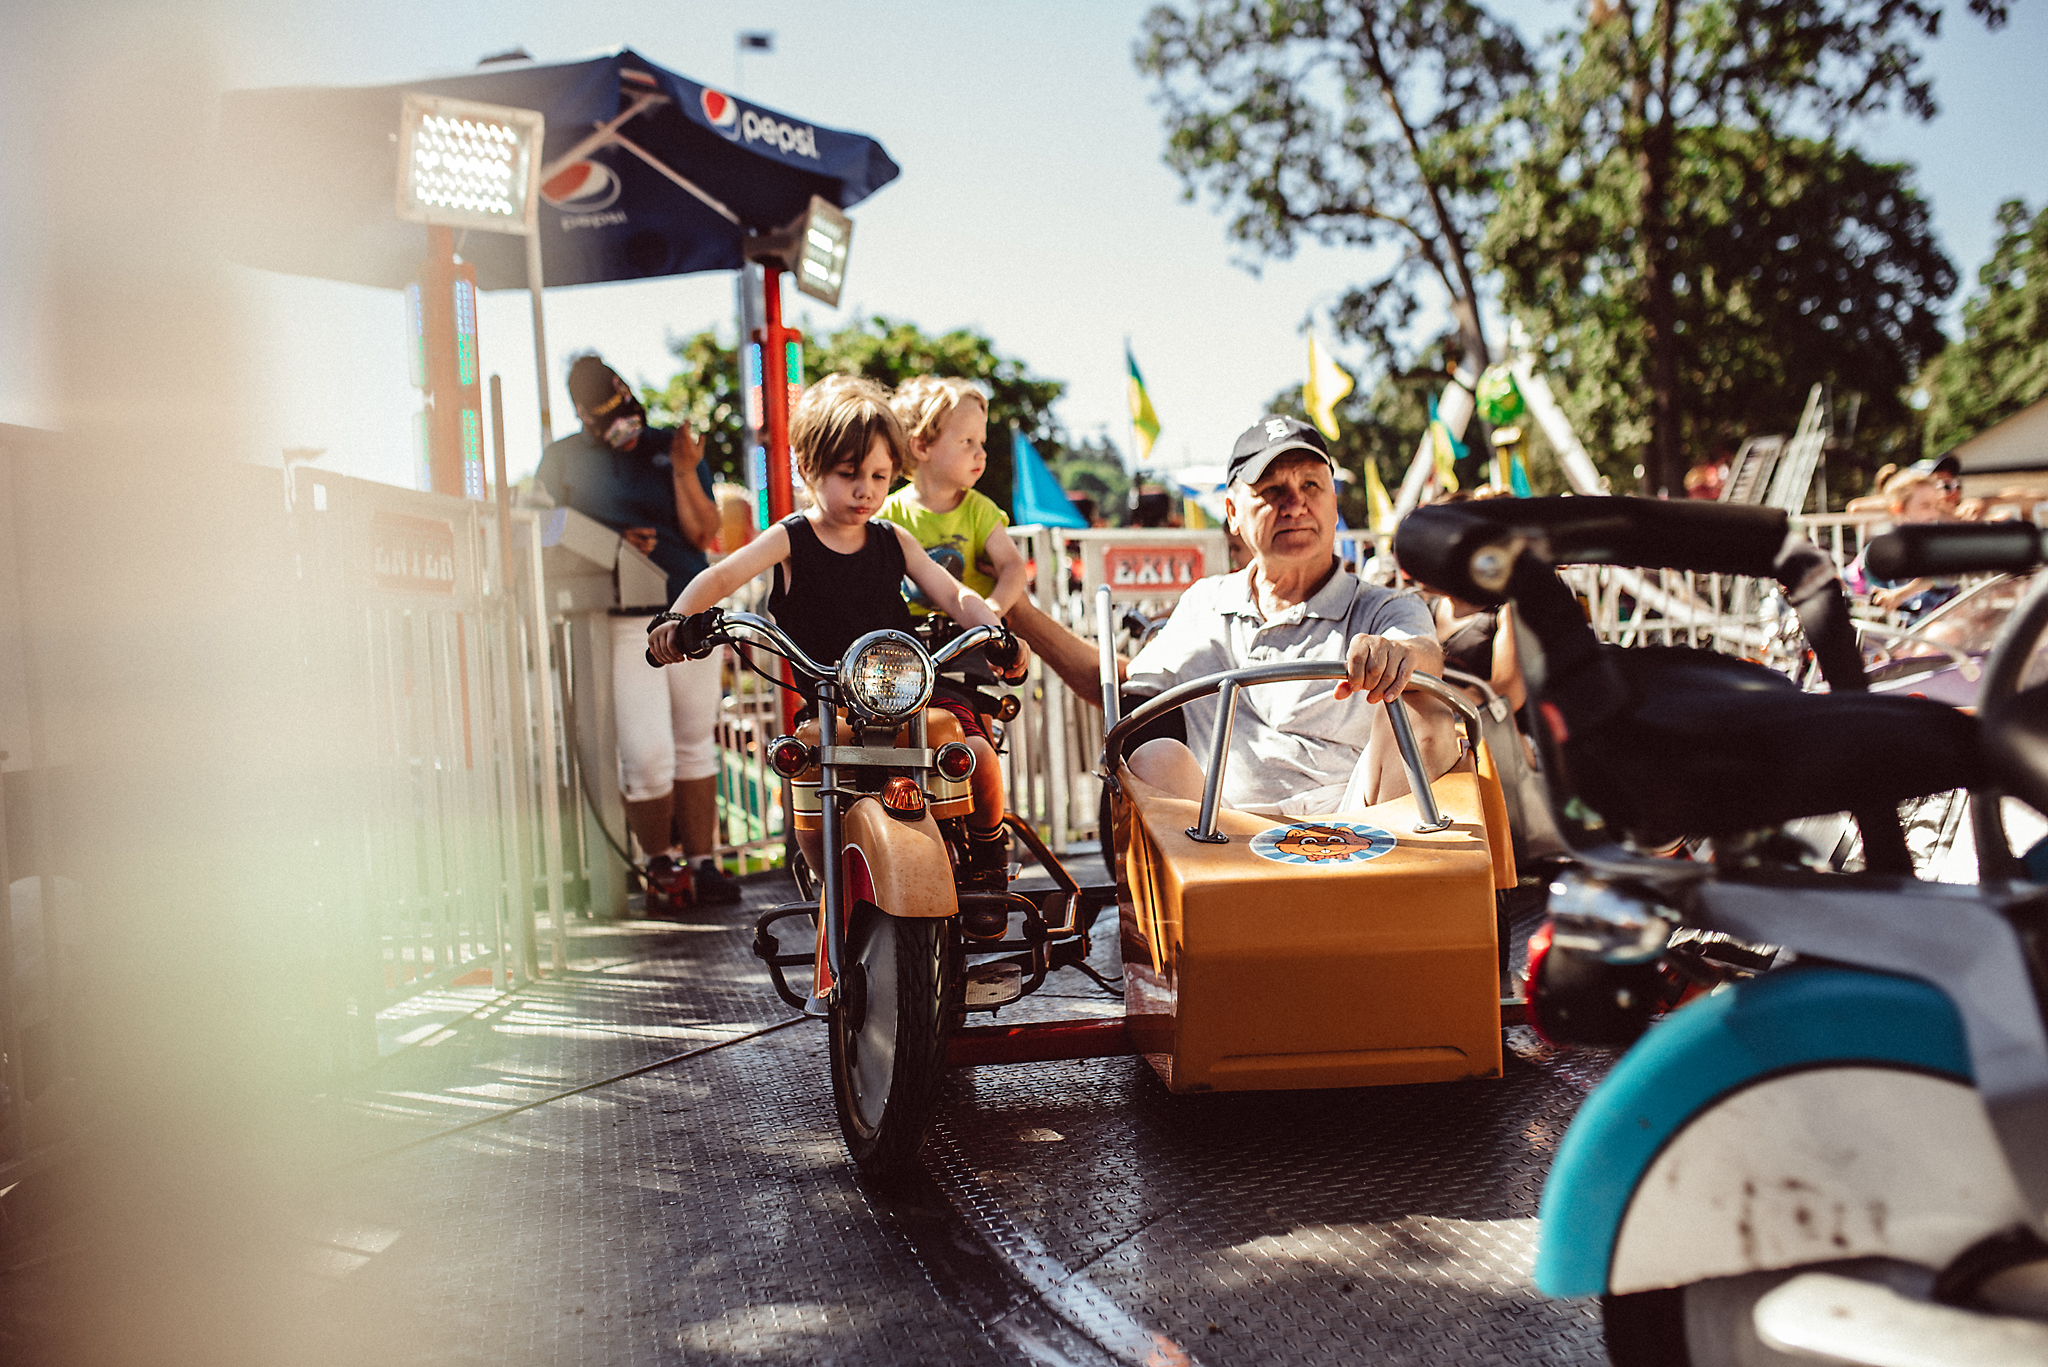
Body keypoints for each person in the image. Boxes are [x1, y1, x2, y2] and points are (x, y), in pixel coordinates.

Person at [646, 377, 1029, 886]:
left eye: (879, 475)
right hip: (831, 703)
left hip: (912, 697)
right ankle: (834, 890)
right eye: (848, 474)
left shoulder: (893, 537)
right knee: (806, 791)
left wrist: (995, 631)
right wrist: (677, 619)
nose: (865, 489)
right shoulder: (790, 537)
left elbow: (953, 593)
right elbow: (720, 575)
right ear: (807, 469)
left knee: (977, 755)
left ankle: (988, 856)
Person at [1010, 415, 1460, 815]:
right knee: (1153, 756)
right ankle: (1160, 905)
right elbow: (1123, 688)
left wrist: (1396, 655)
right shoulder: (1205, 603)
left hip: (1359, 824)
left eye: (1311, 486)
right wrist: (1018, 611)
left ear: (1333, 503)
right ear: (1232, 512)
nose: (1295, 504)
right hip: (1222, 834)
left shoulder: (1385, 606)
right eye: (1272, 491)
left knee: (1426, 710)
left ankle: (1401, 895)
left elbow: (1421, 653)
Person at [535, 355, 742, 912]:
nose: (624, 427)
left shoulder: (670, 446)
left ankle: (703, 863)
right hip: (621, 616)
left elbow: (705, 531)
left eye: (627, 408)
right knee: (645, 752)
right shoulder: (563, 460)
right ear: (583, 418)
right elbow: (544, 532)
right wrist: (611, 542)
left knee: (695, 741)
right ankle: (660, 863)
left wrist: (682, 469)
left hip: (688, 608)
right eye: (608, 420)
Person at [881, 377, 1029, 880]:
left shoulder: (978, 509)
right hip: (900, 658)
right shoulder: (889, 515)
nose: (980, 454)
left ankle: (990, 845)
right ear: (921, 446)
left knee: (978, 751)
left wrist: (990, 611)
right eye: (966, 442)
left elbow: (1012, 567)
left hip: (962, 651)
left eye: (982, 443)